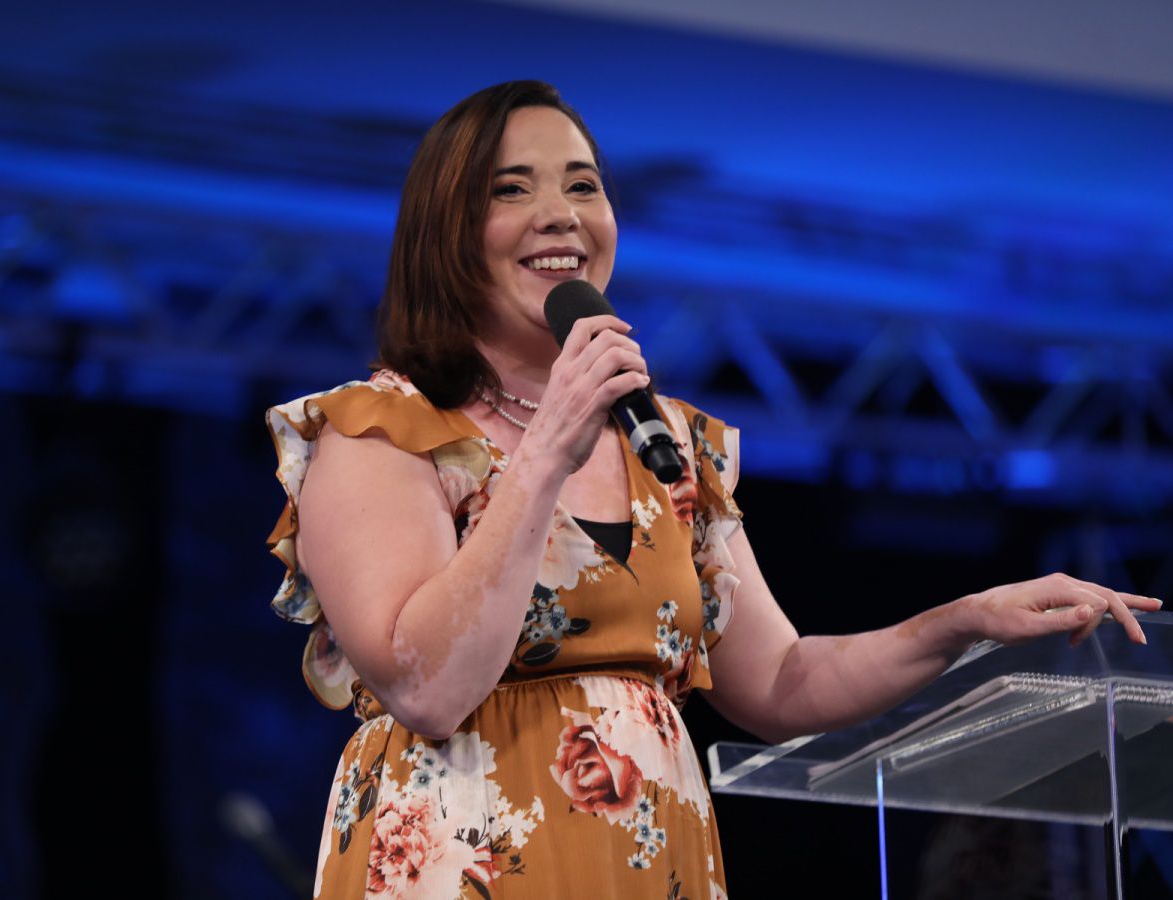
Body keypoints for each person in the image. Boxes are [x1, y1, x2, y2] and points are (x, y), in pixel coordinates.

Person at [265, 81, 1159, 899]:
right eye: (511, 190)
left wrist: (962, 622)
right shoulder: (380, 432)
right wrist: (544, 454)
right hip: (463, 861)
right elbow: (427, 688)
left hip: (650, 863)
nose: (560, 215)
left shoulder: (667, 445)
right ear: (445, 233)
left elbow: (780, 682)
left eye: (583, 186)